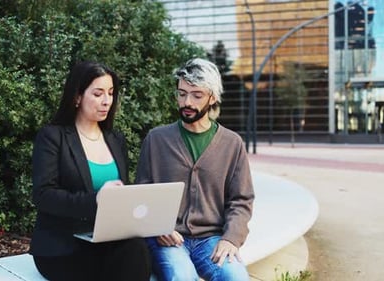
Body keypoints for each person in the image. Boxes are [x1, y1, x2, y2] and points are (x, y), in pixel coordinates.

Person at [29, 61, 151, 281]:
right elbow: (43, 195)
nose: (106, 101)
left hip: (105, 238)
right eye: (98, 93)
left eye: (111, 93)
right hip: (63, 245)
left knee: (137, 249)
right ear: (77, 97)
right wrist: (96, 200)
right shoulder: (52, 137)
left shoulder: (115, 140)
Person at [135, 58, 254, 281]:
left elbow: (241, 199)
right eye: (182, 93)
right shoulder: (156, 139)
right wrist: (159, 226)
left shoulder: (232, 144)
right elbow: (142, 194)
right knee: (182, 277)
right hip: (168, 238)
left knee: (237, 277)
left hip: (212, 239)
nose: (187, 102)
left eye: (196, 95)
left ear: (213, 98)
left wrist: (231, 238)